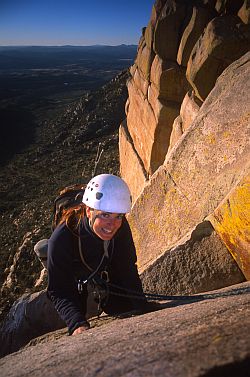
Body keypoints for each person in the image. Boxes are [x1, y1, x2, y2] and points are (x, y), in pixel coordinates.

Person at [47, 174, 152, 336]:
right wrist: (76, 323)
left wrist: (143, 306)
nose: (112, 224)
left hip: (105, 265)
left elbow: (127, 268)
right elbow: (59, 290)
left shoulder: (121, 227)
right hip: (76, 271)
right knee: (78, 310)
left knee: (121, 307)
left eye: (118, 216)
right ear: (89, 211)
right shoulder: (62, 238)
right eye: (105, 215)